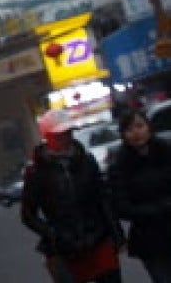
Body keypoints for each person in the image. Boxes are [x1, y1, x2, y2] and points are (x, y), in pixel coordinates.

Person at [21, 109, 124, 283]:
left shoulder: (87, 161)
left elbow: (102, 199)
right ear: (48, 136)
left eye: (68, 132)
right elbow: (28, 215)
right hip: (65, 248)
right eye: (59, 134)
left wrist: (117, 233)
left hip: (98, 238)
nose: (65, 137)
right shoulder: (36, 172)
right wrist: (53, 234)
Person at [106, 110, 171, 282]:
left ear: (148, 127)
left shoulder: (166, 150)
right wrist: (154, 209)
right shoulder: (119, 165)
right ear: (123, 135)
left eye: (140, 126)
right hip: (149, 238)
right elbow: (120, 206)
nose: (136, 133)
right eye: (129, 129)